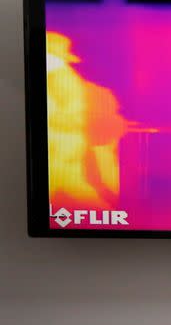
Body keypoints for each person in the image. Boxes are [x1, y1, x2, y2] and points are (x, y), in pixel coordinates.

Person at [46, 31, 127, 209]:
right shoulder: (59, 81)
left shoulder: (66, 81)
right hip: (60, 156)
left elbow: (76, 119)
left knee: (93, 200)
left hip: (66, 156)